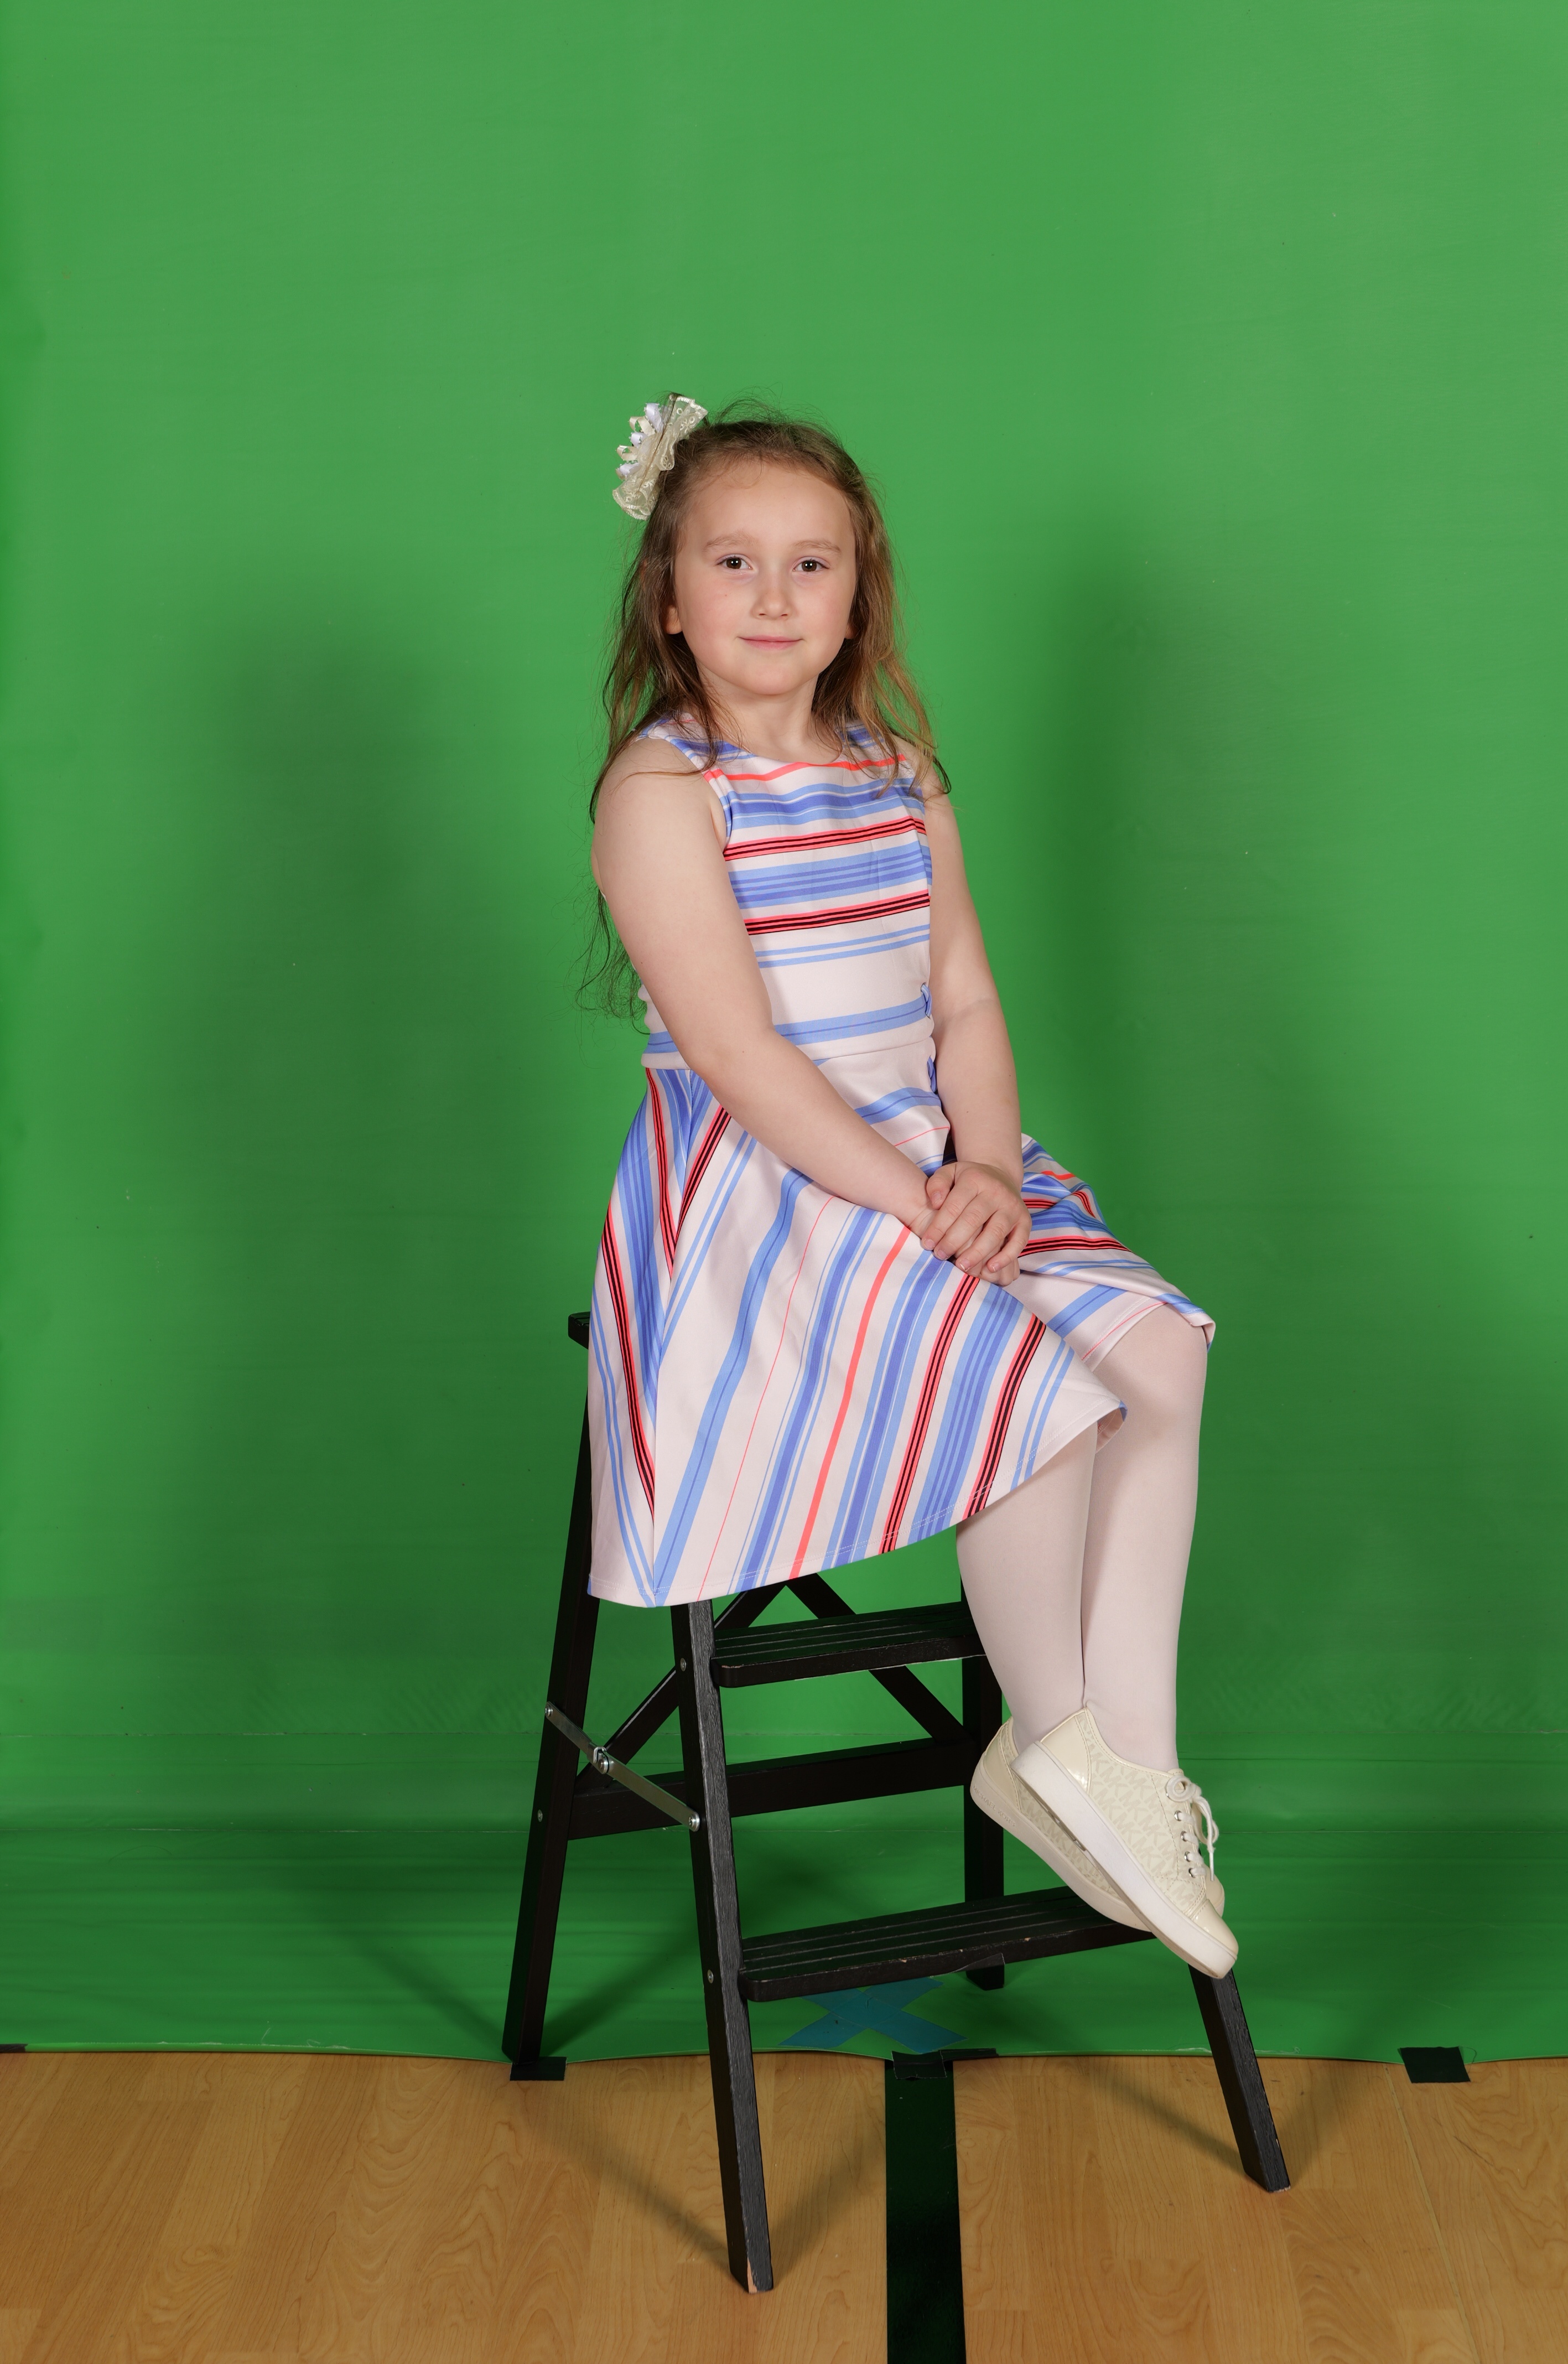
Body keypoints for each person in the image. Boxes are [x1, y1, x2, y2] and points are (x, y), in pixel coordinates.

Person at [583, 397, 1233, 1979]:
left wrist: (989, 1165)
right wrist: (918, 1196)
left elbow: (964, 1001)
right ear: (669, 596)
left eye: (812, 564)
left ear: (855, 594)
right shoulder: (663, 792)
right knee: (1029, 1380)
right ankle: (1056, 1737)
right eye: (734, 561)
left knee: (1159, 1349)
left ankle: (1123, 1771)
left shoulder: (900, 773)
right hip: (765, 1197)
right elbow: (741, 1058)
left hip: (939, 1164)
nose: (774, 595)